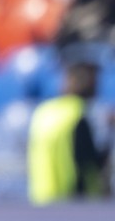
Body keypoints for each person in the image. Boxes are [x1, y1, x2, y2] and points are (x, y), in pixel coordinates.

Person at [28, 62, 110, 203]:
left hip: (41, 197)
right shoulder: (78, 115)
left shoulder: (43, 111)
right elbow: (89, 161)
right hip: (72, 199)